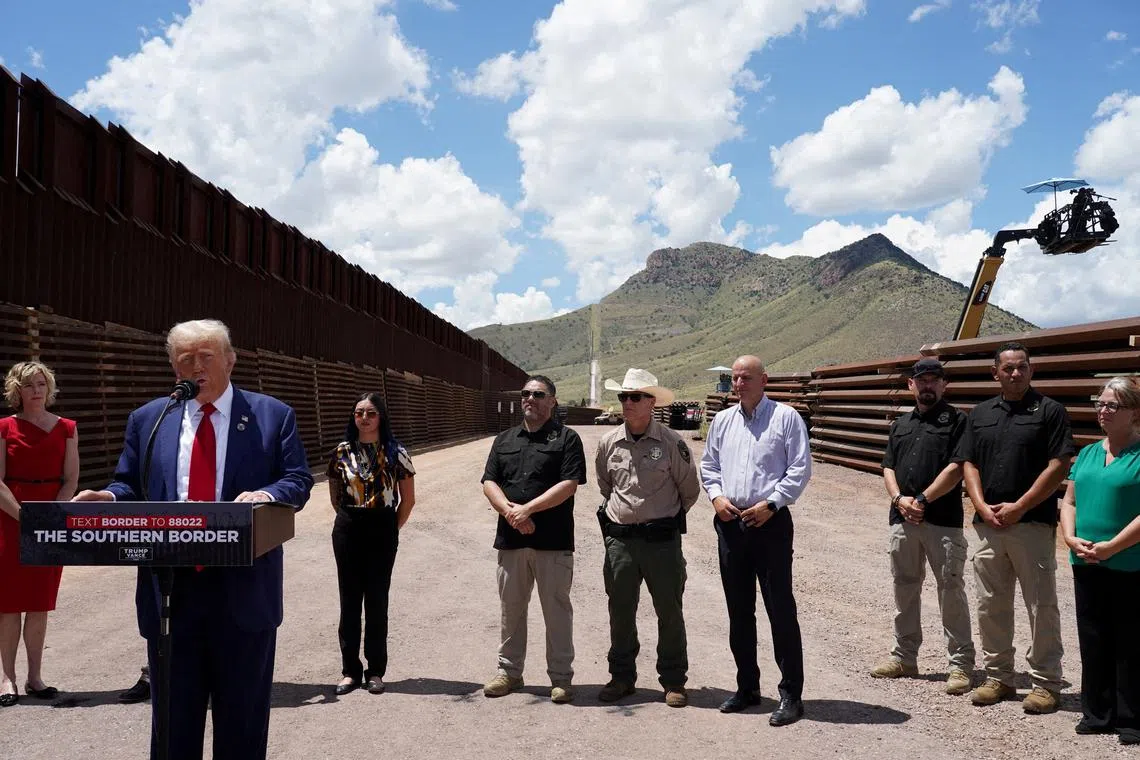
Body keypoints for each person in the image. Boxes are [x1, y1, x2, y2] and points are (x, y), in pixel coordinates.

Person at [73, 319, 313, 760]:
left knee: (242, 724)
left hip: (243, 591)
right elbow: (131, 484)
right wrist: (106, 495)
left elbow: (297, 479)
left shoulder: (271, 414)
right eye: (185, 359)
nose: (195, 367)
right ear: (172, 367)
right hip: (171, 593)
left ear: (230, 361)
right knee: (172, 726)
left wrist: (268, 494)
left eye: (206, 357)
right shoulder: (149, 419)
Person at [958, 341, 1075, 714]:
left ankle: (1045, 682)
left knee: (1040, 605)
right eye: (1007, 368)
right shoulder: (979, 414)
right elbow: (968, 463)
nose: (1015, 373)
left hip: (1032, 525)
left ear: (1031, 370)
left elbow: (1059, 464)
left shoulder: (1050, 412)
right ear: (995, 373)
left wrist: (1021, 506)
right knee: (991, 604)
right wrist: (979, 505)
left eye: (1021, 367)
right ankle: (999, 677)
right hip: (988, 525)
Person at [700, 355, 811, 726]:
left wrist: (773, 503)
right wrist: (716, 498)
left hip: (771, 524)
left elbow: (799, 468)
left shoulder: (786, 418)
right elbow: (709, 465)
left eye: (746, 377)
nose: (738, 383)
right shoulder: (723, 421)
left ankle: (791, 695)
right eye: (734, 378)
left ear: (764, 380)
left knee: (780, 610)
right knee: (739, 610)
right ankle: (747, 687)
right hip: (731, 524)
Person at [595, 368, 699, 708]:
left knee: (669, 611)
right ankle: (622, 677)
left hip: (662, 543)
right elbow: (606, 487)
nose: (627, 402)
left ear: (651, 402)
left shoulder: (671, 443)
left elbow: (689, 491)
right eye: (623, 396)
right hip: (621, 542)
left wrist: (659, 516)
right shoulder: (608, 443)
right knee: (620, 611)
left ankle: (673, 681)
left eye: (634, 396)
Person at [479, 375, 586, 703]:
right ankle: (509, 672)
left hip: (552, 541)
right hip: (511, 540)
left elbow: (569, 483)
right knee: (511, 608)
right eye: (526, 393)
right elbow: (489, 482)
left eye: (539, 394)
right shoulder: (505, 440)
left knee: (556, 609)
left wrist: (527, 510)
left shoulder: (567, 439)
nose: (531, 399)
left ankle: (561, 677)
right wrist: (511, 513)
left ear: (552, 401)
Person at [871, 358, 974, 695]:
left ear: (944, 385)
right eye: (922, 380)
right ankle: (904, 657)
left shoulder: (958, 421)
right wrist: (900, 499)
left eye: (934, 380)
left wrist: (923, 499)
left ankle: (959, 665)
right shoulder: (900, 424)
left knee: (951, 591)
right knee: (905, 586)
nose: (928, 385)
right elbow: (888, 467)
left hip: (942, 522)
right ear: (911, 385)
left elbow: (958, 466)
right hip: (902, 519)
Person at [1060, 376, 1140, 745]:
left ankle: (1132, 719)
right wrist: (1069, 536)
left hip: (1129, 562)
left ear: (1134, 413)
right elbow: (1071, 501)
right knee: (1092, 637)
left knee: (1130, 639)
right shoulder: (1089, 452)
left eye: (1112, 405)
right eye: (1101, 403)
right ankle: (1096, 713)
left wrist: (1112, 547)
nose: (1103, 410)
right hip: (1086, 560)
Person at [0, 361, 79, 707]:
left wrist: (50, 516)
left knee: (38, 603)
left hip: (49, 518)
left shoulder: (67, 428)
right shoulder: (3, 427)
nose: (36, 390)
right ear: (16, 390)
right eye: (29, 385)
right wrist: (24, 516)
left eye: (41, 384)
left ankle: (34, 677)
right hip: (9, 518)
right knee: (8, 605)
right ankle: (7, 678)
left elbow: (70, 480)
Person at [327, 392, 415, 696]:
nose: (364, 418)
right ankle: (350, 670)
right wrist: (350, 519)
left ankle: (375, 671)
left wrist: (391, 529)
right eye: (358, 413)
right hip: (349, 527)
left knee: (377, 601)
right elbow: (335, 494)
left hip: (382, 527)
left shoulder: (395, 451)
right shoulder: (341, 452)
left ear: (381, 417)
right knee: (349, 601)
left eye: (370, 413)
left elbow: (408, 499)